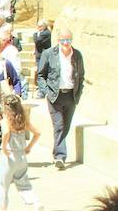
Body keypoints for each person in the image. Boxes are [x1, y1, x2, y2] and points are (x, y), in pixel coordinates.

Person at [36, 28, 85, 170]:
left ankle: (56, 152)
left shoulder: (77, 56)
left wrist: (79, 93)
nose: (66, 43)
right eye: (63, 40)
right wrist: (46, 91)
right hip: (54, 96)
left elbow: (81, 76)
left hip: (71, 95)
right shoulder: (49, 54)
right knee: (59, 125)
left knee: (66, 126)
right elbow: (40, 75)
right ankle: (60, 157)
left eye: (68, 39)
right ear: (58, 40)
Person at [0, 94, 45, 211]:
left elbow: (6, 132)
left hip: (9, 155)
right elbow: (37, 133)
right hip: (21, 156)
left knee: (4, 185)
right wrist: (29, 147)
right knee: (24, 184)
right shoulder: (23, 119)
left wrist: (3, 147)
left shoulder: (7, 120)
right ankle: (36, 203)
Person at [33, 21, 52, 97]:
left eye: (40, 26)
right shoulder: (40, 33)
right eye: (38, 26)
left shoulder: (46, 33)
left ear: (44, 26)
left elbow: (37, 41)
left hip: (43, 56)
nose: (38, 28)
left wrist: (35, 34)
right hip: (39, 55)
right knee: (39, 72)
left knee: (41, 73)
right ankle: (41, 89)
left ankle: (42, 91)